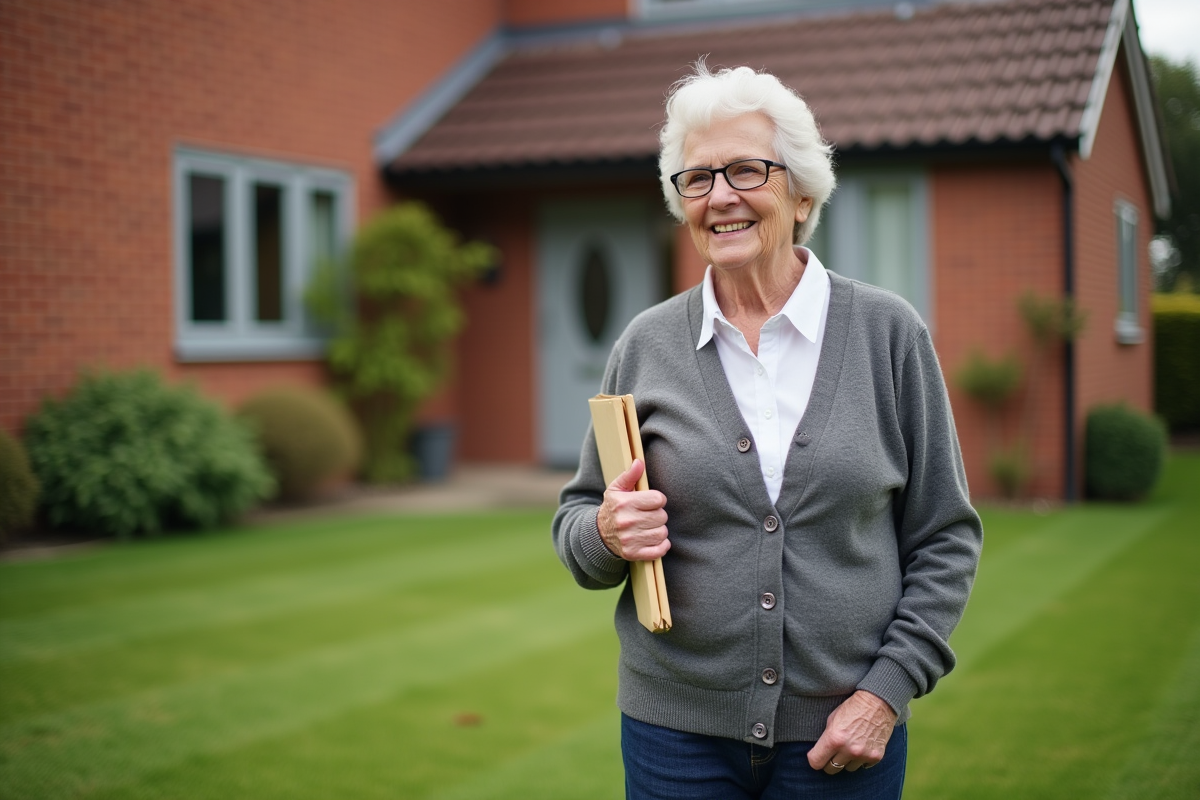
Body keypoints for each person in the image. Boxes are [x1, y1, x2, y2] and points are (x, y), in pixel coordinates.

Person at [552, 62, 983, 800]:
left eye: (746, 170)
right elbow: (577, 528)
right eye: (697, 179)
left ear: (803, 189)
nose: (720, 197)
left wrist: (886, 692)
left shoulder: (889, 335)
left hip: (842, 736)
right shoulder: (645, 346)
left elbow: (945, 535)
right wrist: (605, 534)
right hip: (673, 736)